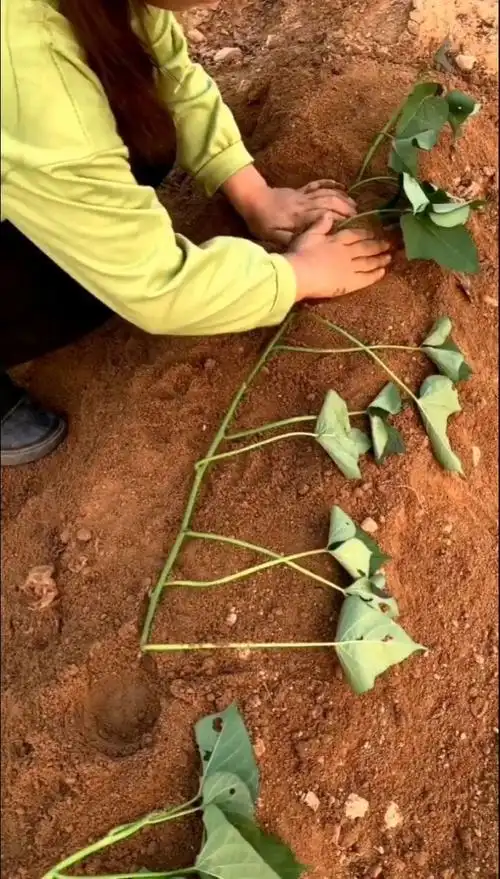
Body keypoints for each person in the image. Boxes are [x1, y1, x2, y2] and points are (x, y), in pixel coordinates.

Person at [1, 0, 392, 467]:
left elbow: (170, 76)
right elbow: (155, 286)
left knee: (144, 128)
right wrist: (299, 275)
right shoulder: (28, 69)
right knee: (73, 290)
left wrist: (252, 193)